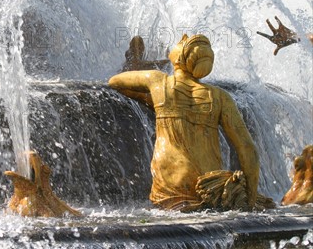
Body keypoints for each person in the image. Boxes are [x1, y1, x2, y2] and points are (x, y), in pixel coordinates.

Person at [108, 34, 274, 211]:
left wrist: (156, 102)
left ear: (180, 56)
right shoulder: (220, 97)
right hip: (209, 187)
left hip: (171, 185)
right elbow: (247, 148)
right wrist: (250, 198)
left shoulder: (158, 81)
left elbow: (115, 81)